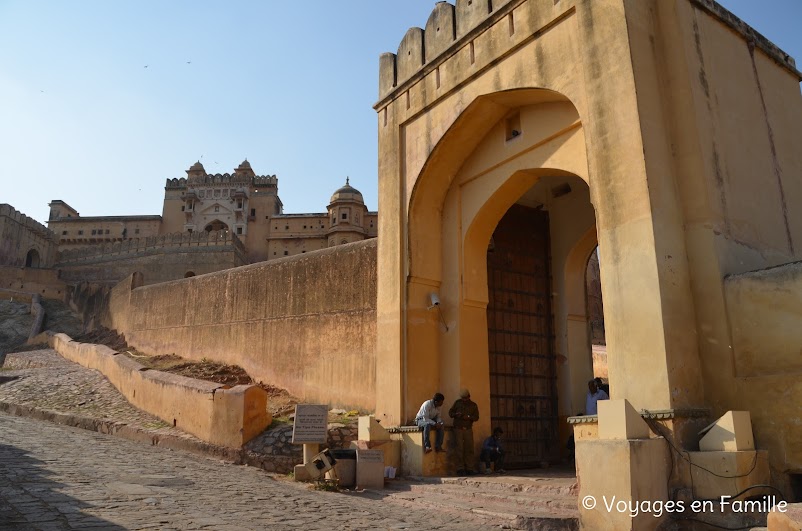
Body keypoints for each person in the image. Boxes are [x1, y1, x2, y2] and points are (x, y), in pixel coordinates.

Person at [449, 388, 479, 475]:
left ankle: (469, 468)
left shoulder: (473, 405)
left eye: (465, 398)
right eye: (462, 398)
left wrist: (469, 417)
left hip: (468, 429)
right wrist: (456, 414)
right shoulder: (457, 403)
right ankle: (460, 468)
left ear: (469, 397)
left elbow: (476, 417)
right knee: (459, 449)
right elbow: (450, 413)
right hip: (458, 429)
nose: (464, 400)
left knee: (469, 449)